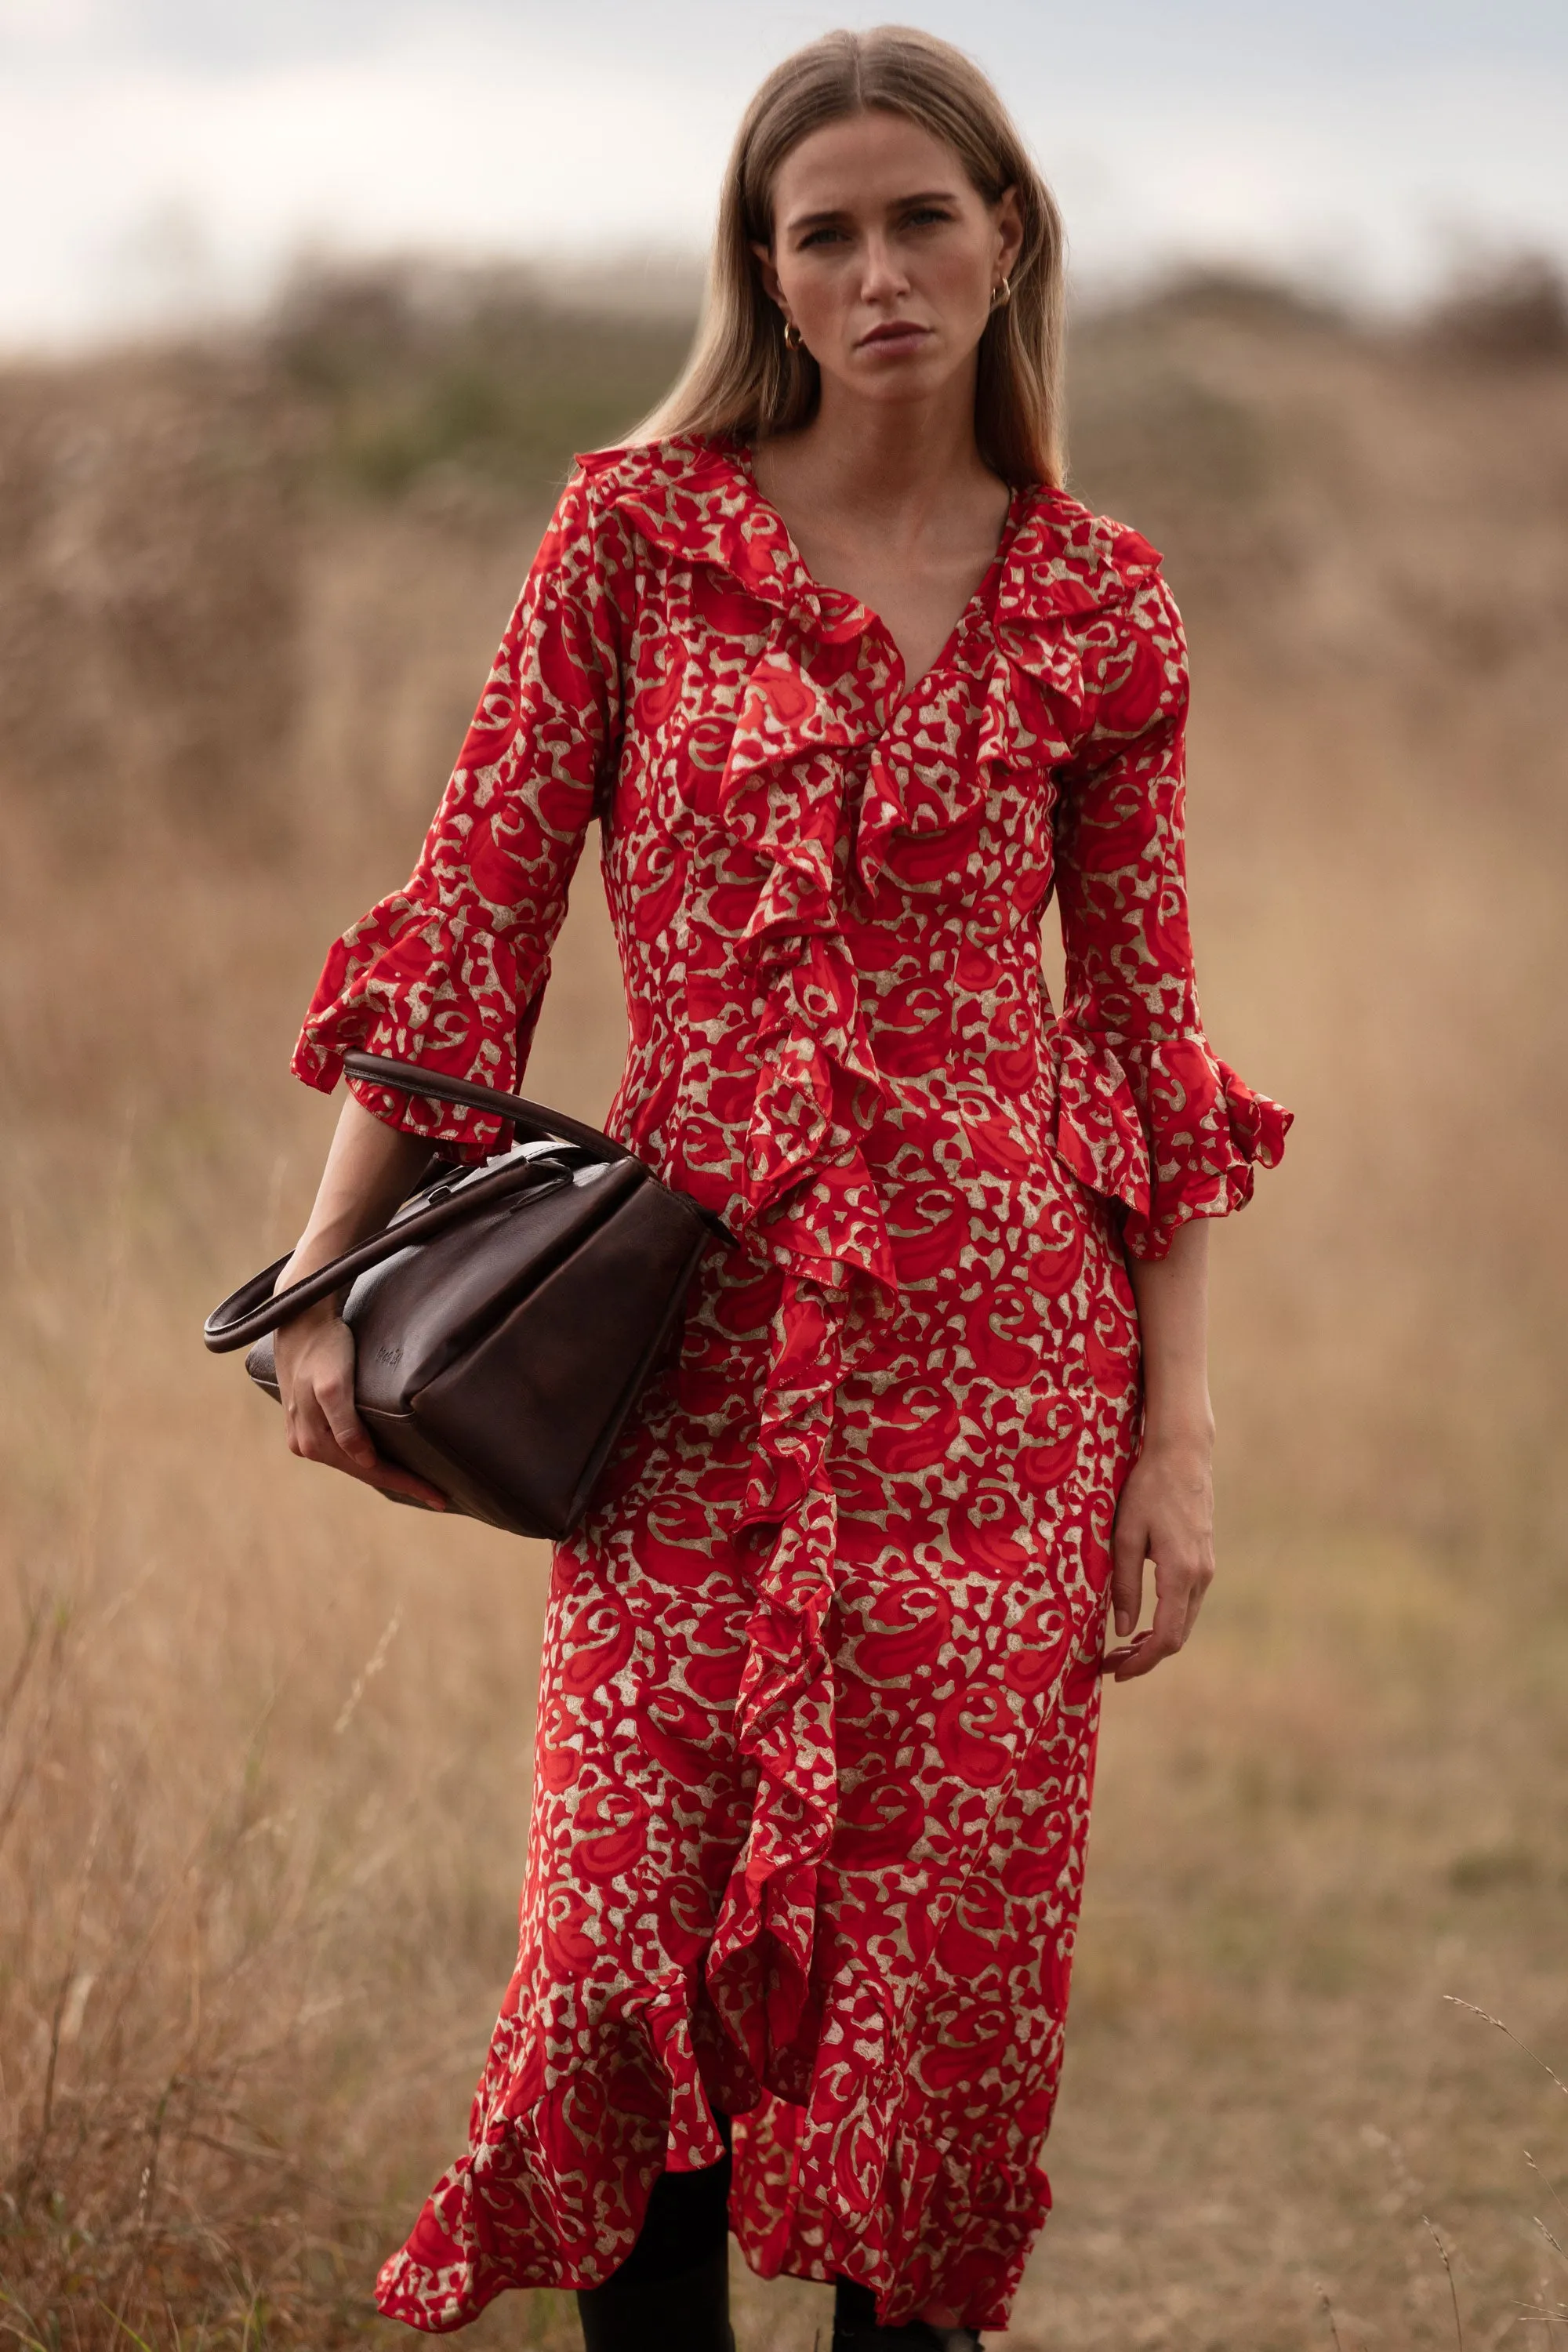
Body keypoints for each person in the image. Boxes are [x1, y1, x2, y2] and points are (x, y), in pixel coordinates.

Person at [273, 25, 1290, 2352]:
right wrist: (321, 1282)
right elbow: (472, 919)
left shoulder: (1099, 599)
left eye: (920, 215)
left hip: (1008, 1388)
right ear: (767, 268)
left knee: (926, 2019)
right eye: (821, 230)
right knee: (624, 1976)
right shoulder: (637, 536)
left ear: (1007, 233)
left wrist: (1181, 1427)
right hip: (685, 1375)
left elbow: (1147, 1042)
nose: (877, 268)